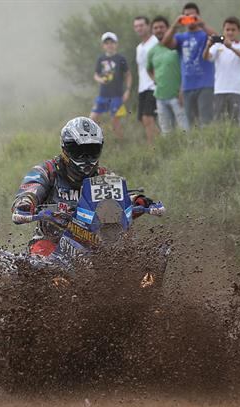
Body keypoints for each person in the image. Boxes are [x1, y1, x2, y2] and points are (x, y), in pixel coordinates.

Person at [11, 117, 160, 256]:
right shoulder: (48, 171)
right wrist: (25, 204)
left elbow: (119, 199)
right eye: (79, 152)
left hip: (95, 245)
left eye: (92, 151)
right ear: (65, 150)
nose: (86, 158)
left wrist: (138, 201)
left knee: (133, 249)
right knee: (39, 263)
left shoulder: (103, 176)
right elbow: (31, 190)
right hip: (52, 243)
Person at [162, 2, 217, 127]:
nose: (190, 18)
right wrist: (175, 25)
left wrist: (202, 24)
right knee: (191, 124)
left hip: (205, 84)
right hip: (187, 86)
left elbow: (219, 38)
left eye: (192, 15)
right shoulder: (181, 37)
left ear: (198, 16)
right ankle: (195, 146)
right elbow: (165, 43)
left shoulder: (204, 35)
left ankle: (209, 146)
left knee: (206, 122)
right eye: (186, 16)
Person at [203, 16, 240, 125]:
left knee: (238, 123)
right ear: (223, 31)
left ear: (239, 31)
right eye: (227, 30)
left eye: (233, 30)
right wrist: (208, 46)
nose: (230, 33)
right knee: (219, 123)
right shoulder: (218, 46)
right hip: (220, 89)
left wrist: (231, 47)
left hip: (237, 90)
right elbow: (206, 57)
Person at [147, 16, 189, 134]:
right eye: (155, 28)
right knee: (166, 132)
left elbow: (186, 67)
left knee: (185, 130)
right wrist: (154, 79)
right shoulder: (152, 51)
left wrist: (182, 89)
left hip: (177, 96)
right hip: (160, 97)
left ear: (167, 28)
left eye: (161, 27)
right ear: (152, 31)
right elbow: (149, 69)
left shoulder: (176, 46)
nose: (159, 30)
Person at [90, 32, 133, 140]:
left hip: (116, 96)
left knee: (115, 122)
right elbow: (95, 74)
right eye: (107, 43)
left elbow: (128, 75)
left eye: (112, 42)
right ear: (103, 45)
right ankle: (98, 141)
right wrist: (100, 79)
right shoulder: (101, 59)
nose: (109, 45)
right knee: (92, 119)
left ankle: (120, 144)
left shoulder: (120, 58)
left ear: (116, 44)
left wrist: (127, 90)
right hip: (102, 95)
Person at [133, 16, 159, 144]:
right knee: (143, 119)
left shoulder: (155, 42)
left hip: (153, 86)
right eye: (136, 26)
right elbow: (140, 68)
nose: (139, 28)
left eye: (141, 25)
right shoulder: (139, 47)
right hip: (142, 86)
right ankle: (159, 143)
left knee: (148, 117)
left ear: (148, 26)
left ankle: (153, 147)